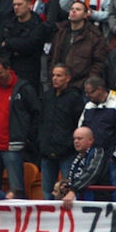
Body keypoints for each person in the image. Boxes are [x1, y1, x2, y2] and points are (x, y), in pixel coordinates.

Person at [0, 55, 40, 194]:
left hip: (13, 145)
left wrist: (27, 136)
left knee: (16, 188)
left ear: (8, 69)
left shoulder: (23, 88)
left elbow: (36, 113)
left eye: (0, 73)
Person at [80, 76, 116, 200]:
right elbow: (81, 128)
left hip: (110, 159)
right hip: (91, 158)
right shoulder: (88, 106)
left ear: (100, 90)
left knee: (114, 194)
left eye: (90, 92)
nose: (87, 96)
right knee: (93, 194)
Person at [39, 65, 84, 199]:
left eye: (59, 75)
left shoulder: (75, 98)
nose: (55, 78)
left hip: (66, 152)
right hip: (47, 151)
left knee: (67, 189)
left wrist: (70, 144)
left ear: (67, 78)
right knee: (47, 191)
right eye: (53, 75)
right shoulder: (47, 96)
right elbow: (40, 121)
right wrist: (40, 142)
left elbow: (78, 123)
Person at [50, 1, 108, 90]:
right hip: (59, 83)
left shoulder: (94, 36)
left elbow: (99, 63)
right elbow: (52, 56)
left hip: (81, 85)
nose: (73, 11)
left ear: (85, 15)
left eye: (78, 9)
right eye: (72, 9)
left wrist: (88, 82)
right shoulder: (60, 32)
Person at [0, 0, 45, 92]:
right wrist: (16, 46)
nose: (16, 7)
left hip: (29, 71)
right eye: (14, 5)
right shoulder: (8, 22)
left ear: (29, 5)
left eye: (19, 4)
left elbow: (29, 45)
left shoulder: (37, 24)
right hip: (9, 69)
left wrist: (8, 44)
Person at [61, 126, 110, 208]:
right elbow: (73, 176)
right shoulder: (78, 157)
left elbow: (91, 174)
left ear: (90, 140)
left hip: (97, 203)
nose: (76, 141)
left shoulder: (98, 153)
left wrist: (73, 190)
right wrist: (67, 185)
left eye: (79, 138)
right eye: (74, 139)